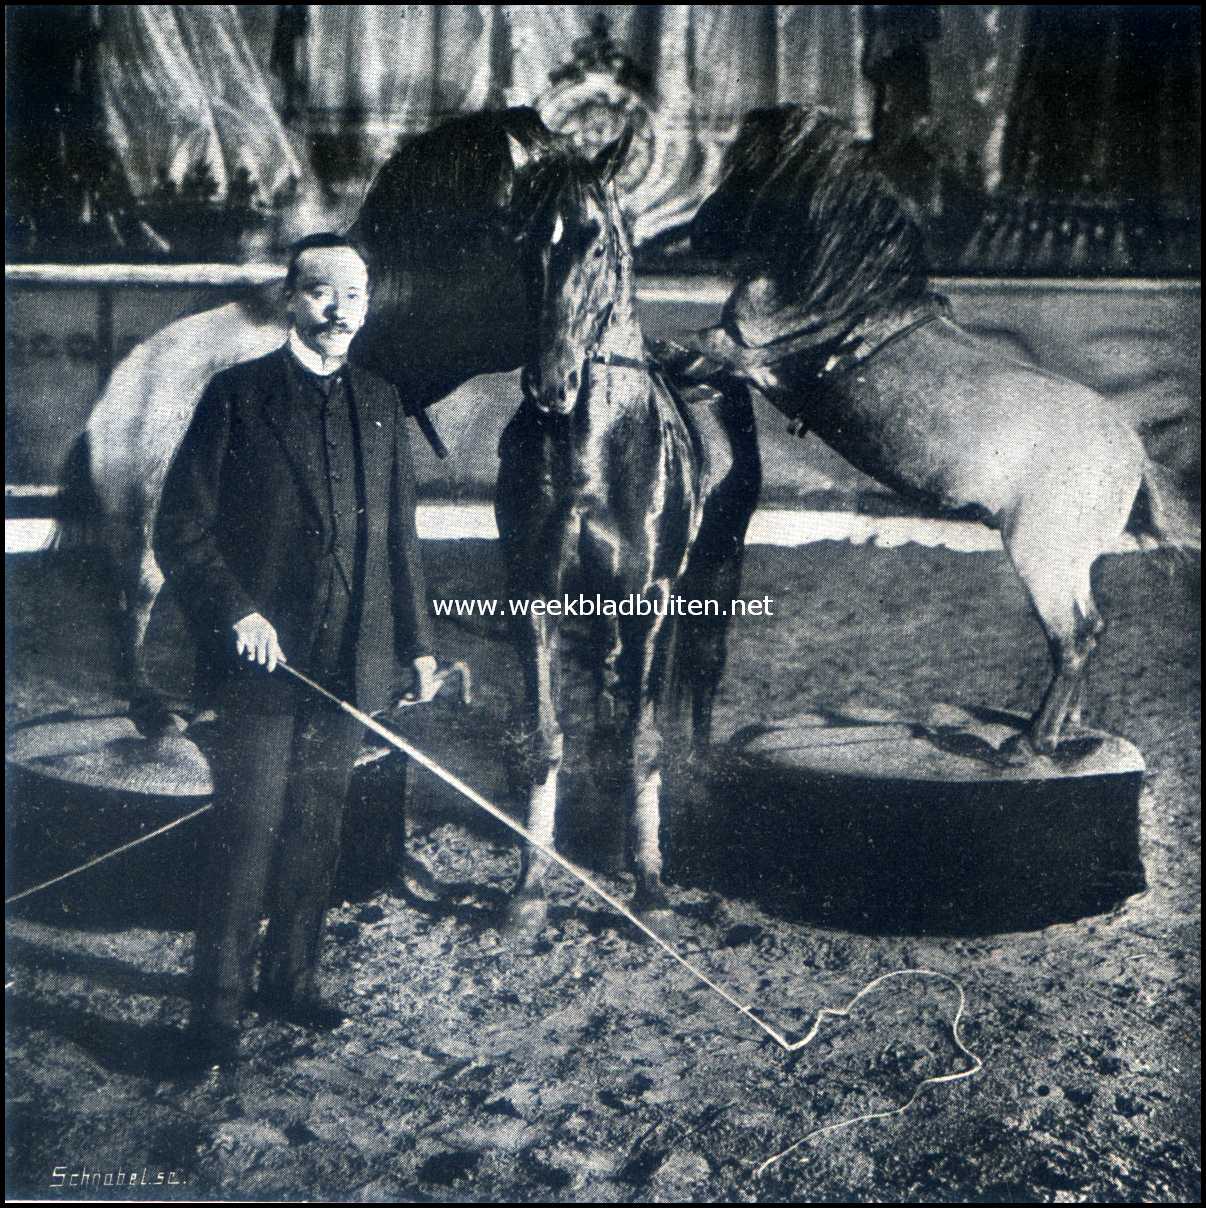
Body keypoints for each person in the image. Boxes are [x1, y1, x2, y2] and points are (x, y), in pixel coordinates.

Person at [155, 232, 437, 1068]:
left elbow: (400, 539)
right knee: (246, 834)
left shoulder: (382, 402)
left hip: (352, 661)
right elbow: (182, 528)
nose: (341, 310)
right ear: (290, 299)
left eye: (355, 294)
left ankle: (293, 980)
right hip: (261, 669)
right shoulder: (237, 396)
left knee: (317, 828)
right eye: (323, 292)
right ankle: (215, 1015)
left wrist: (417, 644)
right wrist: (237, 613)